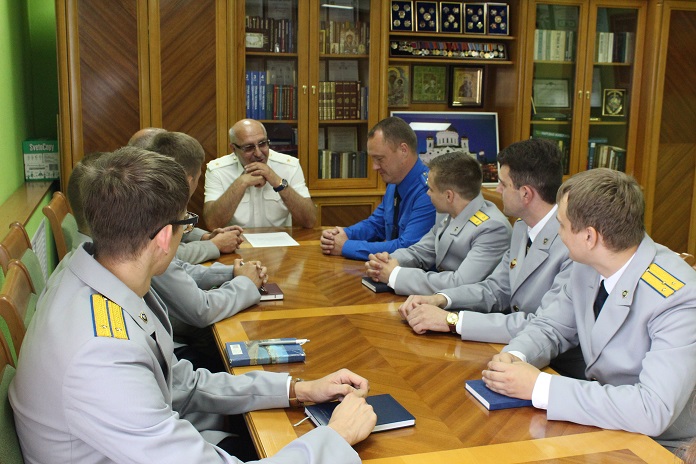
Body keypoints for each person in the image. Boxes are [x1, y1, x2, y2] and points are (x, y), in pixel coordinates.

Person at [10, 146, 377, 463]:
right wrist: (336, 437)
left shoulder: (93, 275)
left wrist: (297, 389)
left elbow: (181, 383)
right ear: (164, 237)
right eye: (186, 222)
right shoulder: (102, 354)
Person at [481, 168, 696, 452]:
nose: (558, 234)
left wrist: (540, 387)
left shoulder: (679, 297)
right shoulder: (588, 264)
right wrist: (516, 356)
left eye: (561, 225)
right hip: (600, 420)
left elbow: (652, 408)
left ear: (590, 237)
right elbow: (551, 326)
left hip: (663, 444)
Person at [398, 139, 583, 378]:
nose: (497, 191)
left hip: (557, 368)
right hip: (513, 350)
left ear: (526, 194)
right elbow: (495, 290)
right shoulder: (522, 227)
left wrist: (453, 321)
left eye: (503, 184)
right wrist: (441, 299)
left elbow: (541, 324)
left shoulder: (571, 244)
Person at [364, 151, 511, 295]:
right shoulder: (447, 211)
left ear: (449, 196)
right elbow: (421, 251)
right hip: (439, 299)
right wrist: (387, 261)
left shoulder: (493, 228)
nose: (427, 193)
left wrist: (395, 275)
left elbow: (460, 283)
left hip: (466, 306)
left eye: (431, 189)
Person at [321, 117, 436, 261]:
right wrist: (344, 234)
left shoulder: (430, 191)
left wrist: (345, 246)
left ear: (403, 150)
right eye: (372, 159)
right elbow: (376, 225)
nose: (374, 167)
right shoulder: (394, 182)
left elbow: (407, 248)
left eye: (380, 159)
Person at [129, 127, 243, 264]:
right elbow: (163, 254)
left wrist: (205, 237)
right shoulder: (135, 198)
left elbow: (174, 230)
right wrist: (214, 245)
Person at [204, 119, 316, 229]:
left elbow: (309, 221)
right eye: (249, 147)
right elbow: (213, 224)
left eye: (262, 144)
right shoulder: (218, 170)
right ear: (233, 149)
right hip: (236, 239)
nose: (258, 153)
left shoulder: (289, 166)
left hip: (278, 240)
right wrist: (241, 183)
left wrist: (278, 182)